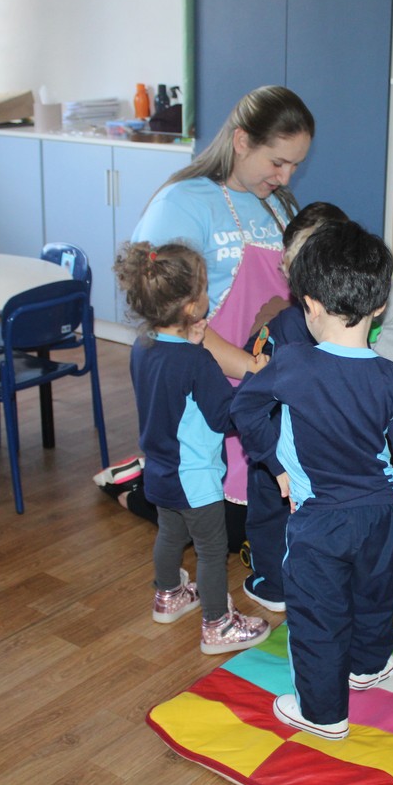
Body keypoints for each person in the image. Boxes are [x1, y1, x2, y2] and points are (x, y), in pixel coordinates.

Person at [231, 221, 393, 740]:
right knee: (374, 594)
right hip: (381, 516)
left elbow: (243, 407)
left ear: (309, 304)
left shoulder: (291, 364)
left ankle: (323, 713)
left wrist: (275, 464)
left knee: (317, 616)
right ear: (380, 306)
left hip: (319, 523)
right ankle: (371, 665)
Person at [107, 85, 315, 534]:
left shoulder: (281, 207)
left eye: (296, 165)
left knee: (281, 510)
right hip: (211, 381)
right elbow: (172, 319)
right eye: (277, 162)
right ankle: (135, 486)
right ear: (242, 141)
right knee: (229, 524)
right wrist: (254, 370)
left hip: (264, 376)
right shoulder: (183, 202)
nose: (286, 178)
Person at [240, 201, 393, 613]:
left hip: (376, 436)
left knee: (272, 472)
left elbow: (247, 403)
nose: (288, 272)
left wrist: (275, 462)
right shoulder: (373, 300)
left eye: (297, 262)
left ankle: (274, 581)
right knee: (371, 603)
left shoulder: (304, 336)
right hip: (382, 484)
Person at [116, 241, 270, 655]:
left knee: (170, 533)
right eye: (204, 290)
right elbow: (226, 417)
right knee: (211, 549)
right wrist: (257, 381)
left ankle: (167, 595)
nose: (209, 296)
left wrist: (194, 343)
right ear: (190, 308)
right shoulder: (197, 363)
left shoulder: (142, 346)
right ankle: (217, 624)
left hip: (159, 468)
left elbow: (171, 385)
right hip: (196, 477)